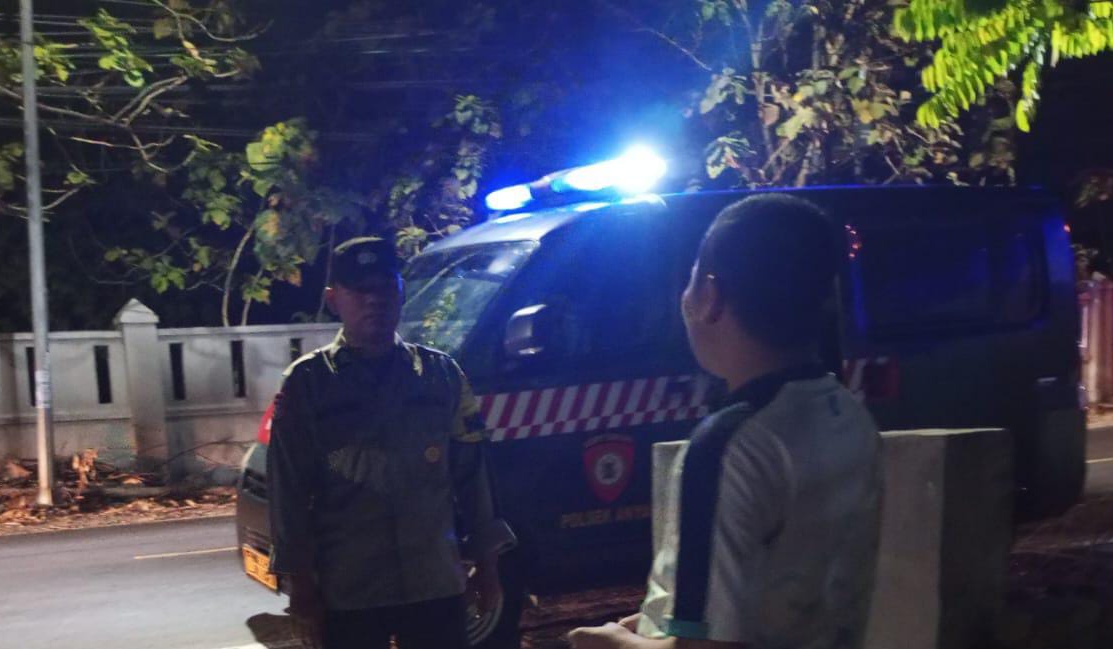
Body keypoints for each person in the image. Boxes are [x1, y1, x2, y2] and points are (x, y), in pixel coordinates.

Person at [568, 195, 883, 649]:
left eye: (692, 278)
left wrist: (607, 641)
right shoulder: (849, 415)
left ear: (710, 297)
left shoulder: (730, 447)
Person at [267, 236, 515, 649]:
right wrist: (301, 589)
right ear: (333, 299)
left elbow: (472, 478)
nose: (375, 300)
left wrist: (488, 566)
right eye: (360, 290)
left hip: (435, 583)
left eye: (386, 287)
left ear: (401, 293)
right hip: (350, 591)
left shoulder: (442, 375)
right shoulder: (308, 383)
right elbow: (288, 492)